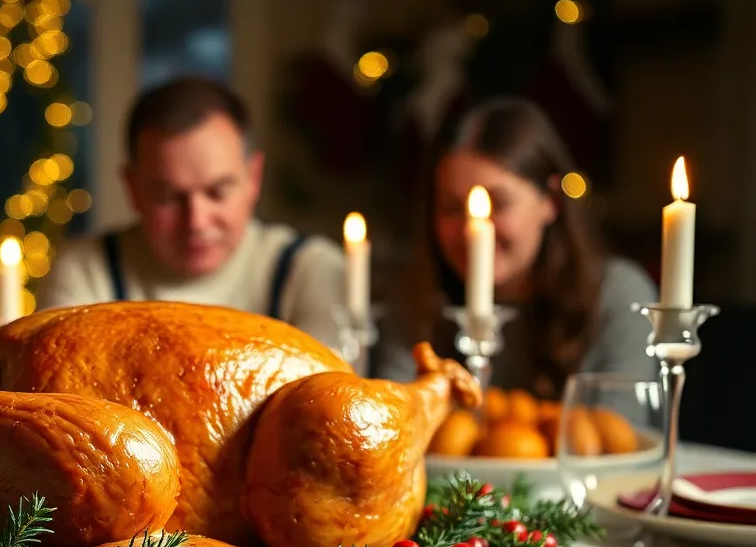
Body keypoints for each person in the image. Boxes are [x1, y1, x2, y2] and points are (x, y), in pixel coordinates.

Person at [36, 77, 347, 352]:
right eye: (169, 197)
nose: (196, 221)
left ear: (253, 178)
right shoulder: (85, 270)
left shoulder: (309, 269)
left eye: (217, 192)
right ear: (132, 188)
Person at [373, 97, 657, 398]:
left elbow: (620, 424)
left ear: (550, 200)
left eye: (498, 204)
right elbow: (395, 407)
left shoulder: (615, 296)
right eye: (452, 208)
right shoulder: (417, 298)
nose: (471, 231)